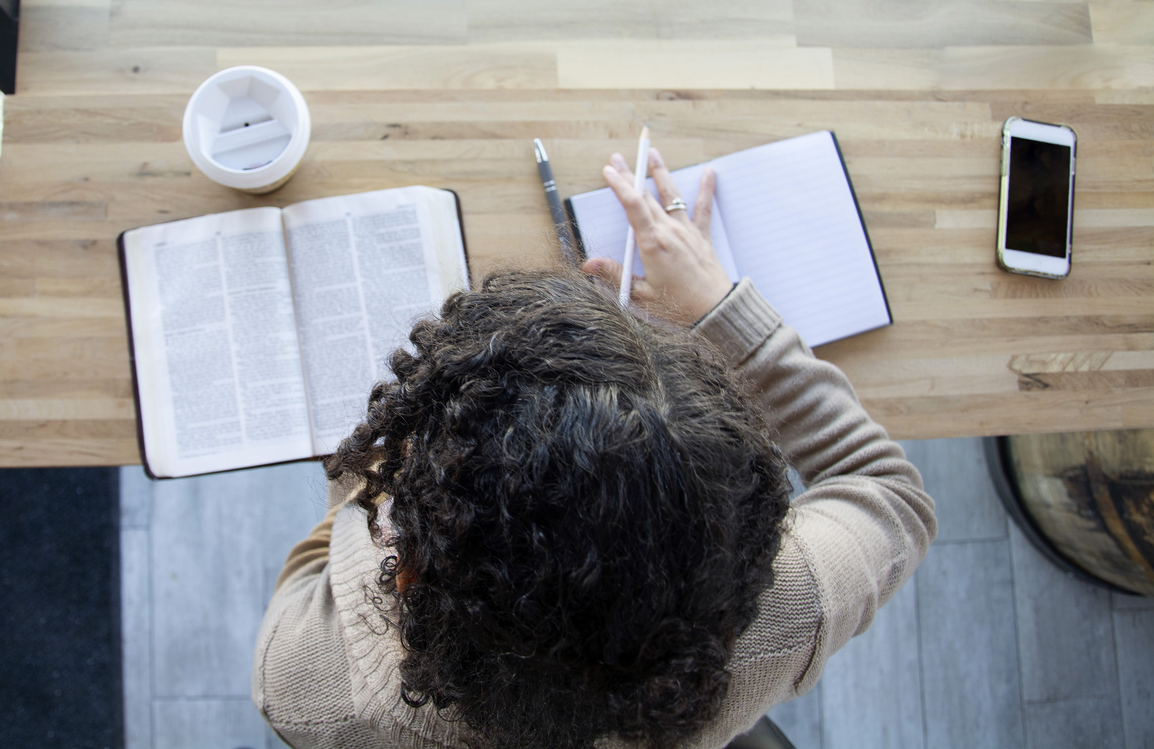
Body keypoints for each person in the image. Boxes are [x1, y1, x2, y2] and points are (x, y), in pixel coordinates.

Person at [252, 146, 938, 749]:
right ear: (748, 538)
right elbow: (890, 492)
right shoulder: (788, 612)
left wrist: (370, 472)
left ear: (407, 567)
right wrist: (723, 313)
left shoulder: (303, 685)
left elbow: (314, 567)